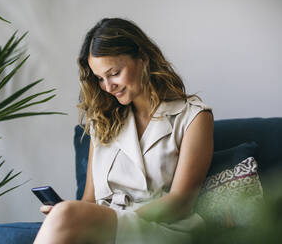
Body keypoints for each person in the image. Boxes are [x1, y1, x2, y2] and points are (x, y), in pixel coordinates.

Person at [33, 17, 213, 244]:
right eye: (100, 78)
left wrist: (99, 219)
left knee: (67, 214)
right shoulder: (102, 121)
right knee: (64, 213)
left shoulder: (193, 116)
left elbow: (181, 202)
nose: (108, 87)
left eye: (114, 73)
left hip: (163, 228)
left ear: (143, 59)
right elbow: (90, 200)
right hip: (106, 229)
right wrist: (70, 215)